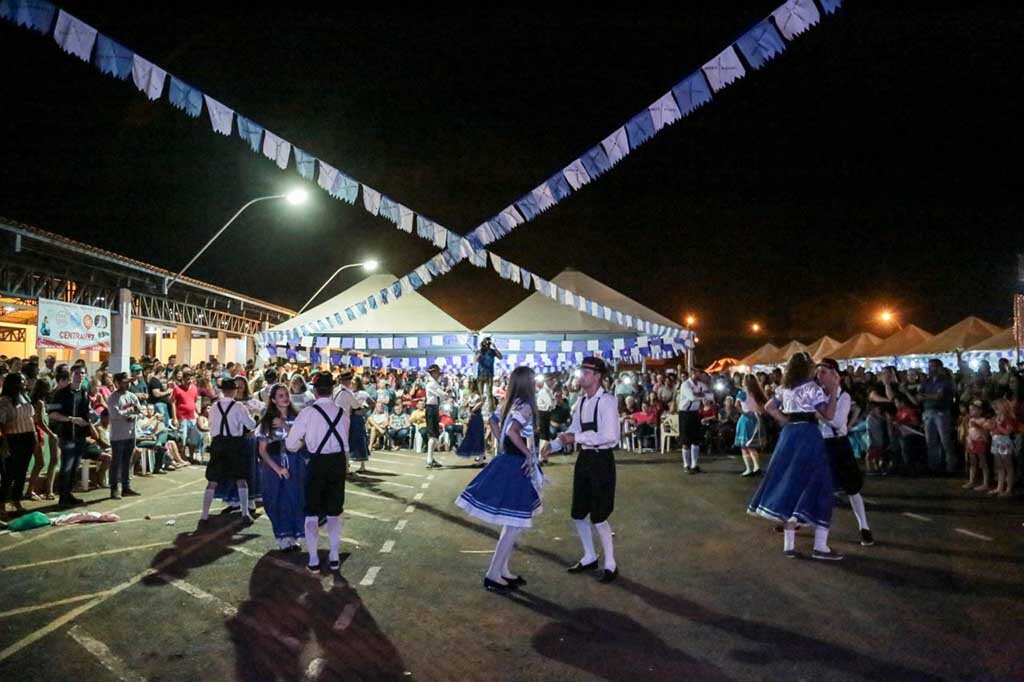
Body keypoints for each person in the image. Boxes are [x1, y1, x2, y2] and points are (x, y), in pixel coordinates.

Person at [747, 352, 842, 560]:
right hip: (808, 435)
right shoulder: (812, 388)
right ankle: (820, 547)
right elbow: (828, 415)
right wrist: (834, 390)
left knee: (791, 482)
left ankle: (789, 545)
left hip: (789, 435)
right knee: (821, 484)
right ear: (807, 367)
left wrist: (786, 421)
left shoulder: (784, 388)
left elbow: (770, 407)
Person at [456, 366, 542, 593]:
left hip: (507, 461)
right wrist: (528, 453)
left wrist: (506, 444)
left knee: (511, 523)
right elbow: (513, 431)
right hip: (515, 466)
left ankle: (503, 571)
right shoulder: (525, 406)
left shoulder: (510, 403)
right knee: (514, 524)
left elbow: (494, 423)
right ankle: (494, 573)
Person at [543, 356, 621, 583]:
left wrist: (576, 437)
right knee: (578, 513)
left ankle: (610, 563)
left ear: (597, 376)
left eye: (586, 372)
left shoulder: (607, 401)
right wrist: (555, 445)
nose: (581, 376)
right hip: (585, 458)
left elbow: (611, 436)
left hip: (602, 460)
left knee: (599, 515)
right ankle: (589, 556)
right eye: (581, 372)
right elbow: (573, 429)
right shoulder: (582, 401)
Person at [287, 372, 348, 573]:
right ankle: (333, 556)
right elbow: (345, 443)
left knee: (311, 512)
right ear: (332, 389)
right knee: (334, 511)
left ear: (314, 390)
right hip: (337, 462)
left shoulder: (307, 413)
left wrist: (304, 442)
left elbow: (291, 444)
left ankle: (313, 559)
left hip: (317, 462)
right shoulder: (342, 412)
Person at [816, 359, 873, 546]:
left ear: (835, 375)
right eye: (818, 372)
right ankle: (796, 521)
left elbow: (838, 422)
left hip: (838, 445)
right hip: (821, 444)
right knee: (815, 487)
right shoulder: (817, 395)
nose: (819, 376)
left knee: (852, 489)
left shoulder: (844, 397)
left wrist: (819, 415)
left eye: (823, 372)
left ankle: (864, 527)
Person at [199, 377, 258, 526]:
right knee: (241, 479)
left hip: (218, 444)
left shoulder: (214, 407)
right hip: (234, 444)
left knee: (212, 481)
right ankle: (245, 513)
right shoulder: (239, 406)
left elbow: (211, 427)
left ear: (222, 391)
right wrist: (255, 418)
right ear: (234, 390)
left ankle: (204, 515)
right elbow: (250, 425)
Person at [257, 384, 305, 551]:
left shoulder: (297, 417)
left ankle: (293, 536)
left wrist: (285, 425)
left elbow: (303, 439)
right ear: (273, 400)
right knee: (276, 500)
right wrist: (276, 468)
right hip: (274, 464)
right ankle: (282, 537)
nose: (285, 398)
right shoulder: (267, 421)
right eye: (280, 396)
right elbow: (262, 450)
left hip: (295, 462)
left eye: (286, 395)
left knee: (295, 498)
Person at [48, 365, 92, 508]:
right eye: (77, 373)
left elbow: (87, 413)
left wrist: (90, 419)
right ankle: (63, 498)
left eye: (82, 373)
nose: (80, 376)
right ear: (71, 375)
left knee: (74, 467)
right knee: (66, 467)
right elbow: (52, 413)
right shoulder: (61, 393)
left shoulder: (85, 393)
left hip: (80, 436)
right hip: (66, 435)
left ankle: (68, 494)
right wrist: (71, 419)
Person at [0, 373, 38, 518]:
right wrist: (5, 442)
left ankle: (16, 501)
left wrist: (34, 438)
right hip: (13, 438)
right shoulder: (5, 401)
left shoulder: (26, 397)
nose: (24, 383)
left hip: (28, 436)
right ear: (13, 383)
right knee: (9, 474)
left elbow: (31, 419)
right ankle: (2, 503)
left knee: (22, 472)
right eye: (21, 381)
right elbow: (1, 423)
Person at [106, 371, 142, 499]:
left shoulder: (132, 396)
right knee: (116, 462)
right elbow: (115, 414)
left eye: (127, 382)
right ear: (117, 383)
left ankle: (126, 486)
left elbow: (139, 410)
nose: (126, 384)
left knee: (127, 461)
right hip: (118, 435)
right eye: (123, 382)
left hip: (130, 434)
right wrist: (130, 412)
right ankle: (114, 487)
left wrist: (131, 414)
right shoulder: (113, 398)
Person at [920, 359, 957, 474]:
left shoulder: (945, 382)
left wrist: (925, 396)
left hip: (941, 412)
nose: (930, 369)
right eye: (930, 366)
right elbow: (920, 396)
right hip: (928, 411)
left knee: (945, 440)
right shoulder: (927, 381)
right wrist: (929, 396)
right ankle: (934, 466)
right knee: (931, 441)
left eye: (933, 367)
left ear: (939, 368)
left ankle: (950, 466)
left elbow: (938, 396)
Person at [677, 368, 713, 473]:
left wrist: (702, 395)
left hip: (695, 413)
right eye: (699, 372)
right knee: (686, 440)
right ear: (693, 373)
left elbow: (710, 396)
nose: (701, 374)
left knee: (696, 440)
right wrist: (703, 395)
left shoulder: (701, 384)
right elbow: (692, 397)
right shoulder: (685, 385)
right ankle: (686, 465)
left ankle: (694, 465)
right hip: (685, 413)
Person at [735, 374, 768, 476]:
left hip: (746, 419)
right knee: (752, 445)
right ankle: (756, 466)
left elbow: (736, 405)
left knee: (745, 445)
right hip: (757, 419)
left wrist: (744, 413)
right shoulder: (758, 393)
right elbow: (764, 407)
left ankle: (749, 469)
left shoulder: (742, 393)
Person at [987, 399, 1017, 497]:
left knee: (1008, 465)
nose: (995, 411)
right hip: (996, 441)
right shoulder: (997, 417)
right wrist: (991, 428)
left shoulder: (1008, 419)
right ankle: (999, 487)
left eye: (997, 409)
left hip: (1004, 442)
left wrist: (997, 426)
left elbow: (1007, 432)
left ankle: (1008, 489)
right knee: (999, 465)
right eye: (995, 409)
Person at [171, 368, 200, 463]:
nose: (189, 381)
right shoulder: (177, 389)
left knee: (193, 439)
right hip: (182, 417)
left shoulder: (194, 388)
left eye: (190, 379)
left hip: (192, 417)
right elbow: (173, 403)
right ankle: (182, 457)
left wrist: (197, 413)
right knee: (182, 439)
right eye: (187, 379)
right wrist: (175, 418)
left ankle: (191, 456)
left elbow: (195, 401)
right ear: (183, 379)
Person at [457, 380, 487, 463]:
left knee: (478, 435)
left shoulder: (478, 396)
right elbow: (467, 404)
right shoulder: (470, 395)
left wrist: (473, 409)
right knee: (472, 434)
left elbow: (480, 403)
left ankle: (480, 456)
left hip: (477, 416)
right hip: (472, 417)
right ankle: (479, 455)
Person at [424, 364, 445, 468]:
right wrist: (447, 393)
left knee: (435, 434)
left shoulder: (435, 383)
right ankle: (429, 459)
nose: (438, 374)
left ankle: (430, 458)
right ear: (433, 373)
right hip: (431, 408)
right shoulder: (431, 384)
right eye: (437, 372)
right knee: (432, 434)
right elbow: (442, 395)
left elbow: (441, 396)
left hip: (434, 408)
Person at [475, 337, 502, 407]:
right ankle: (480, 408)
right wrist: (480, 351)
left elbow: (500, 357)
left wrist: (495, 348)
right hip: (481, 374)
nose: (486, 344)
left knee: (489, 393)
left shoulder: (492, 351)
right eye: (485, 343)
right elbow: (475, 360)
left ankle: (491, 409)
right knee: (480, 394)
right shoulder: (479, 351)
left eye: (487, 343)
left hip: (489, 374)